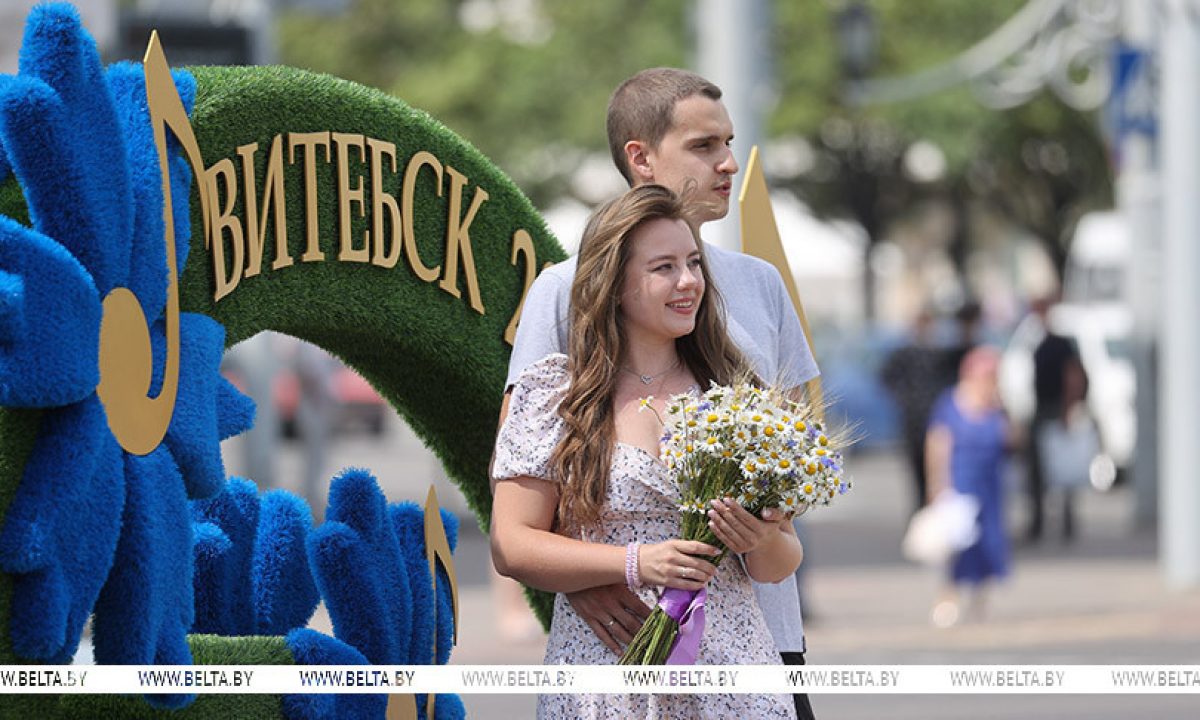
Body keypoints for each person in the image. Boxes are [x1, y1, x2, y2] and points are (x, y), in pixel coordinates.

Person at [499, 67, 819, 719]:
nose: (728, 163)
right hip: (611, 653)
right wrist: (607, 573)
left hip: (758, 643)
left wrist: (759, 533)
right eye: (704, 146)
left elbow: (785, 513)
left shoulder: (759, 287)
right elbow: (523, 492)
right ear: (640, 158)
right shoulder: (564, 291)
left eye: (728, 142)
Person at [924, 346, 1014, 627]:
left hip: (990, 485)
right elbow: (937, 443)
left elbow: (1014, 441)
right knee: (958, 545)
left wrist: (1002, 406)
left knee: (988, 543)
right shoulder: (951, 402)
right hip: (960, 482)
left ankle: (980, 601)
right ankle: (947, 597)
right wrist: (937, 483)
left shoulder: (996, 407)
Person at [880, 309, 946, 515]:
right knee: (917, 470)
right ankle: (920, 511)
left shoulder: (937, 354)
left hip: (932, 419)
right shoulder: (906, 353)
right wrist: (903, 397)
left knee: (934, 469)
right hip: (914, 420)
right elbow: (886, 377)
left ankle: (929, 511)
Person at [1025, 295, 1078, 543]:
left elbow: (1072, 375)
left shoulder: (1059, 344)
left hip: (1055, 408)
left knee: (1061, 468)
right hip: (1041, 408)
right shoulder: (1037, 341)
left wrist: (1067, 410)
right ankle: (1038, 522)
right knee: (1037, 470)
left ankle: (1067, 522)